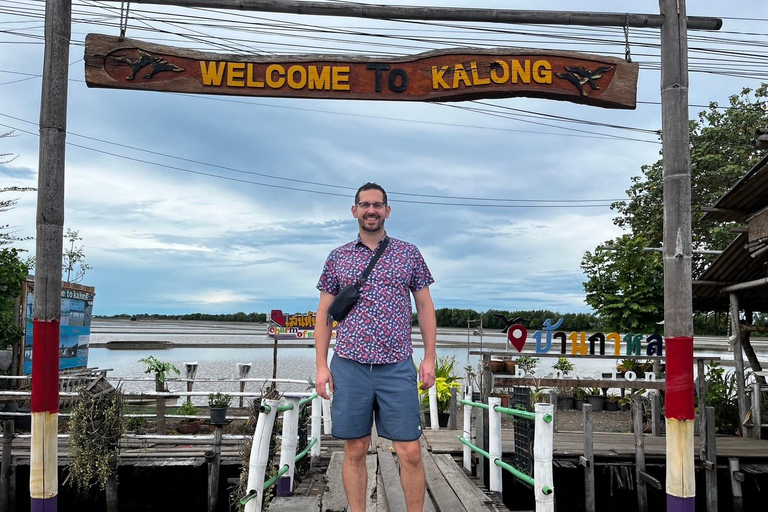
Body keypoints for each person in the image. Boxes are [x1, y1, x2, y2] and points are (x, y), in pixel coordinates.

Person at [314, 182, 437, 512]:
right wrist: (322, 365)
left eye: (378, 205)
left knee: (410, 450)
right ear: (354, 210)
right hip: (350, 365)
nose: (371, 210)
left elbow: (425, 307)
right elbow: (324, 315)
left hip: (396, 365)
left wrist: (429, 357)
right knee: (355, 447)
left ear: (387, 211)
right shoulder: (337, 257)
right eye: (365, 204)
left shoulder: (408, 254)